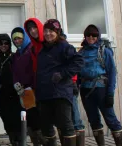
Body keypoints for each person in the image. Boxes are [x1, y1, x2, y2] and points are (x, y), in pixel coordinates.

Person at [25, 18, 86, 146]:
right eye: (46, 31)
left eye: (51, 31)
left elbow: (79, 61)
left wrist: (64, 74)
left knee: (66, 126)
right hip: (45, 95)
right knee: (46, 127)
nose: (48, 33)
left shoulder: (64, 46)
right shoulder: (42, 50)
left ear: (57, 32)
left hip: (60, 93)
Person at [78, 24, 122, 146]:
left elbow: (112, 73)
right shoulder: (81, 53)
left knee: (111, 119)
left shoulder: (105, 52)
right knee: (93, 120)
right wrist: (76, 87)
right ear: (85, 36)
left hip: (101, 89)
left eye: (94, 35)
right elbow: (77, 73)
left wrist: (110, 94)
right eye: (88, 35)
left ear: (98, 36)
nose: (91, 37)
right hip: (86, 91)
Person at [10, 27, 44, 146]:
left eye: (19, 38)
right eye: (14, 39)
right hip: (23, 92)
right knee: (28, 120)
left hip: (34, 90)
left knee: (37, 120)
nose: (17, 41)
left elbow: (35, 69)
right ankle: (36, 142)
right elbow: (14, 72)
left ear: (24, 38)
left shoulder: (31, 50)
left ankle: (44, 141)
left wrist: (33, 86)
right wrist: (17, 85)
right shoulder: (16, 55)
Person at [0, 33, 23, 145]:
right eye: (1, 43)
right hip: (1, 96)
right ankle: (13, 141)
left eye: (6, 43)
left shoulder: (15, 56)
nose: (3, 45)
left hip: (15, 95)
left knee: (17, 122)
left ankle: (19, 142)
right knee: (7, 122)